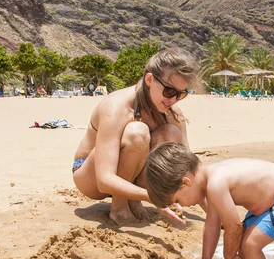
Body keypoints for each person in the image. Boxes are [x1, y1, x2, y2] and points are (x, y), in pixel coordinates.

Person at [145, 143, 274, 259]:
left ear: (186, 182)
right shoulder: (210, 179)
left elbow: (234, 226)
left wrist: (229, 257)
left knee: (250, 244)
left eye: (177, 200)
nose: (182, 206)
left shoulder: (216, 184)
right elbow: (211, 226)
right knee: (242, 244)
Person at [72, 48, 200, 226]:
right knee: (137, 133)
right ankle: (119, 208)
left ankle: (133, 199)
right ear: (149, 79)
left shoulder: (172, 112)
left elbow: (190, 167)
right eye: (169, 91)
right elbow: (104, 180)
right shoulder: (116, 108)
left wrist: (217, 210)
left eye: (180, 94)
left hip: (131, 172)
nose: (173, 100)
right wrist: (153, 198)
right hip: (90, 175)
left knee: (171, 133)